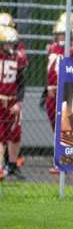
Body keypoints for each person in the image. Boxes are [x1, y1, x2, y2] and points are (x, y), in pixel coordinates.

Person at [0, 26, 27, 179]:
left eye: (12, 44)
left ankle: (12, 165)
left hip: (12, 102)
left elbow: (21, 82)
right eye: (7, 44)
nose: (10, 47)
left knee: (15, 135)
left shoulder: (17, 58)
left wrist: (19, 102)